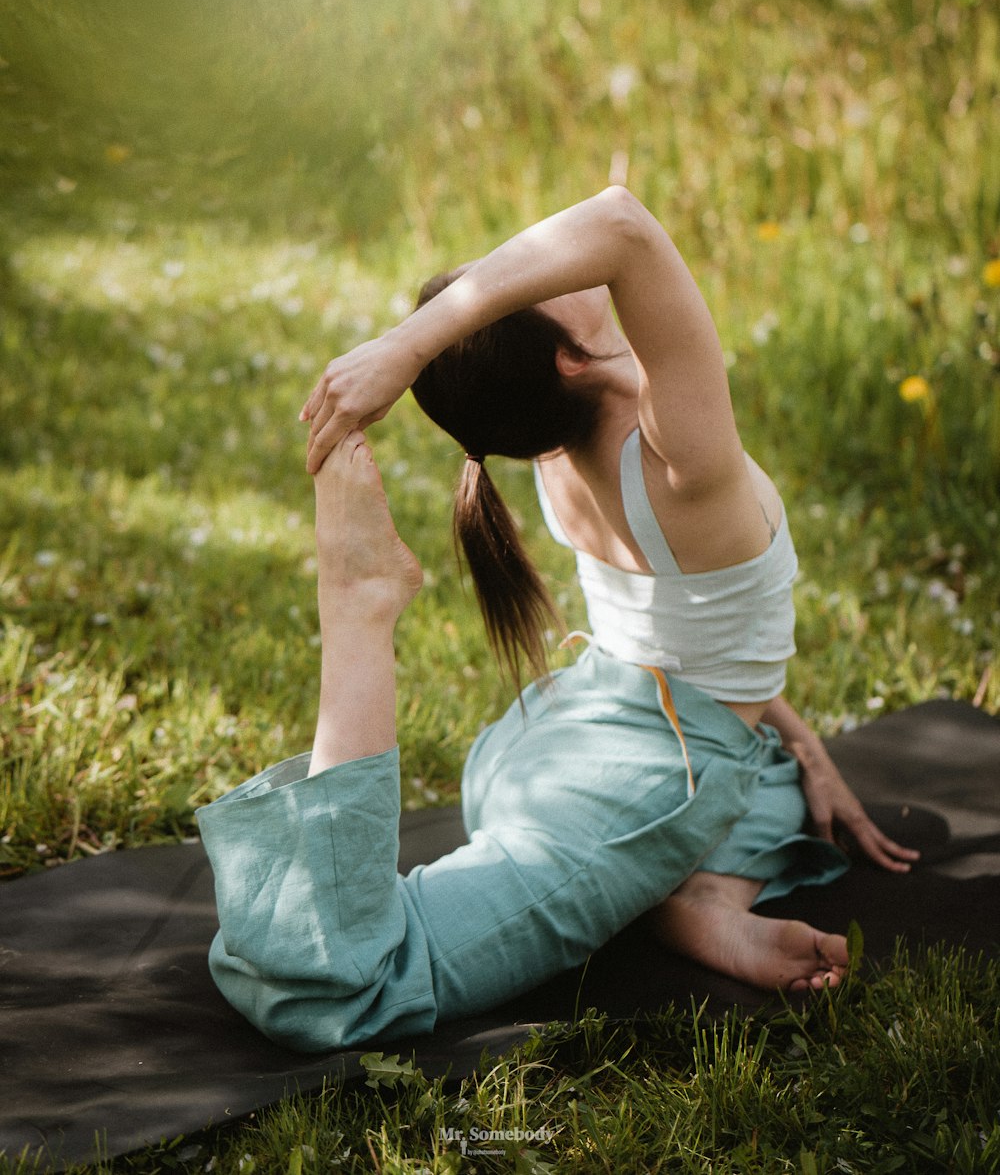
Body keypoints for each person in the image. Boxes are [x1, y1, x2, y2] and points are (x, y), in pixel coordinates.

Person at [196, 184, 918, 1052]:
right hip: (641, 775)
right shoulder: (680, 460)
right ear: (567, 360)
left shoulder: (550, 448)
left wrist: (802, 747)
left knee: (772, 790)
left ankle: (690, 900)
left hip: (536, 745)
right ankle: (359, 609)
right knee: (335, 983)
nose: (527, 258)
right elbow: (619, 224)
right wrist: (405, 347)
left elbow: (695, 643)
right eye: (511, 281)